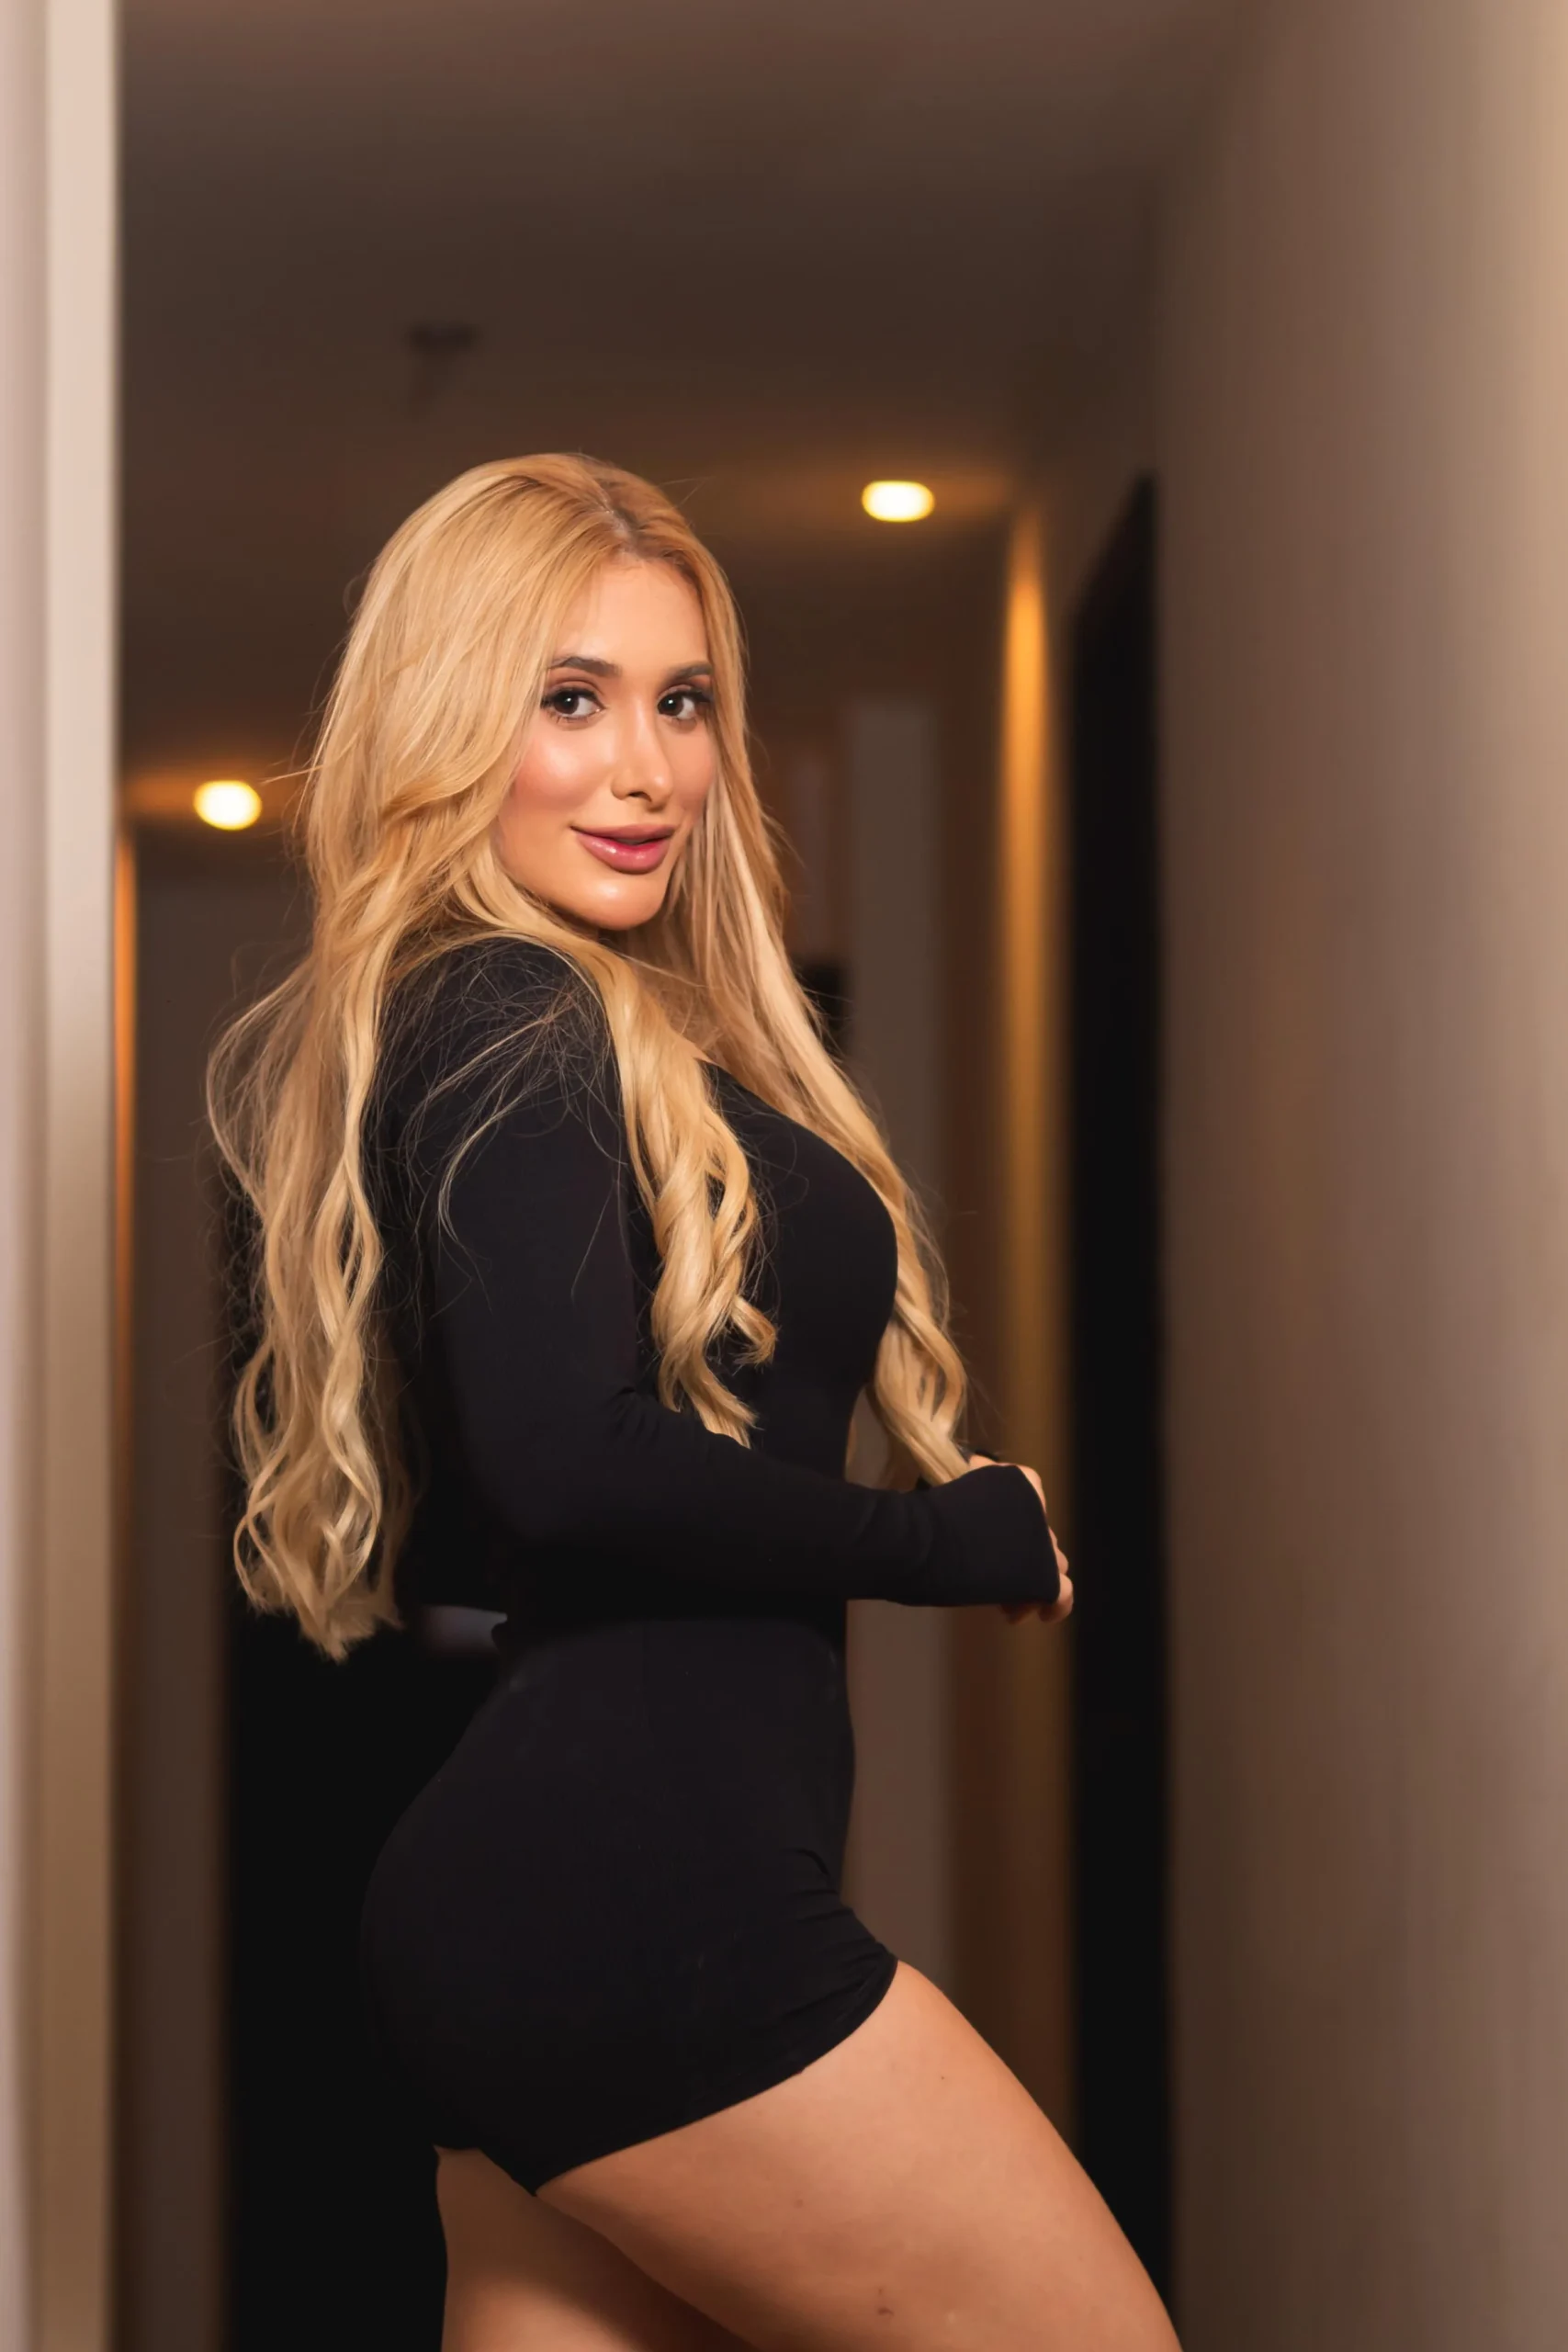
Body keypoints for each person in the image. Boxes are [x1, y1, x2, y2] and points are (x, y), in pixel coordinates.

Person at [209, 453, 1179, 2351]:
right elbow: (562, 1463)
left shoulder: (578, 1023)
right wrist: (946, 1535)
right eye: (569, 699)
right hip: (638, 1901)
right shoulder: (508, 1008)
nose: (643, 767)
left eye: (682, 700)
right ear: (448, 724)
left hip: (557, 1901)